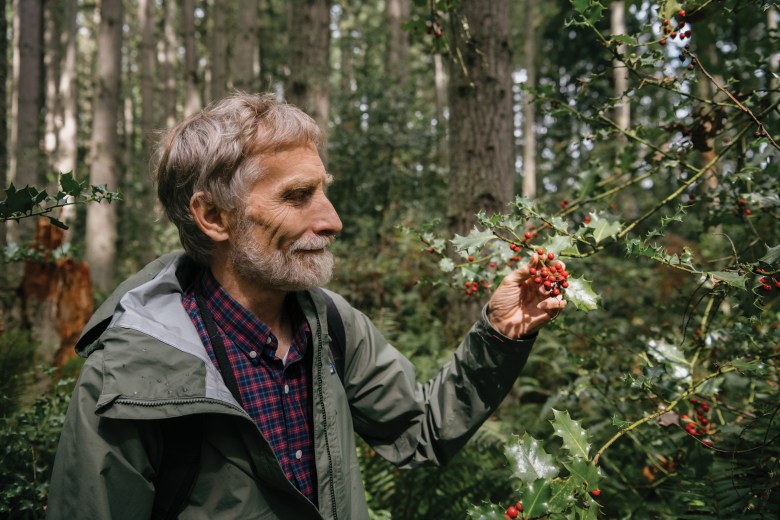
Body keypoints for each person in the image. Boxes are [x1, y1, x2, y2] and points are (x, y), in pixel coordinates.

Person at [47, 92, 566, 519]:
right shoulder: (127, 377)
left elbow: (418, 432)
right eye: (298, 197)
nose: (332, 220)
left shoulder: (334, 325)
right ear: (213, 217)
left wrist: (499, 333)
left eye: (324, 191)